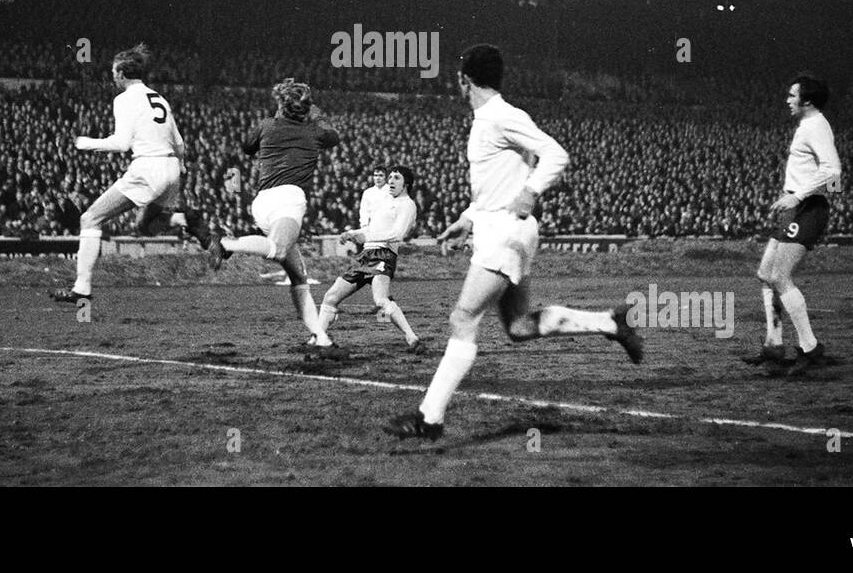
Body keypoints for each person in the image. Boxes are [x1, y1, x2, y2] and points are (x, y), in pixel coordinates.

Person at [389, 44, 643, 441]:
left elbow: (556, 154)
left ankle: (429, 418)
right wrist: (467, 219)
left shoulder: (500, 117)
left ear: (464, 80)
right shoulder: (490, 119)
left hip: (508, 231)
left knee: (462, 318)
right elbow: (493, 186)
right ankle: (611, 322)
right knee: (521, 327)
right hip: (501, 228)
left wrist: (532, 189)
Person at [52, 44, 208, 306]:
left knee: (90, 218)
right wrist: (180, 166)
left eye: (114, 71)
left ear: (122, 73)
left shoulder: (124, 99)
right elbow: (179, 142)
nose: (112, 76)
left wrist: (84, 143)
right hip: (171, 169)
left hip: (147, 168)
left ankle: (82, 288)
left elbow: (121, 143)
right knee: (144, 225)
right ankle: (186, 219)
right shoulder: (158, 98)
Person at [208, 79, 344, 356]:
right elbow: (334, 136)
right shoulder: (315, 130)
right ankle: (226, 244)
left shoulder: (267, 125)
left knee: (299, 278)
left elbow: (247, 146)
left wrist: (277, 116)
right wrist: (315, 114)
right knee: (278, 249)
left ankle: (321, 339)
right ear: (307, 107)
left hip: (262, 203)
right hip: (288, 200)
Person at [742, 73, 841, 378]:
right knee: (765, 274)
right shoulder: (808, 126)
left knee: (781, 276)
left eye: (791, 95)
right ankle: (773, 345)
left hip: (807, 209)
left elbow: (833, 170)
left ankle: (810, 349)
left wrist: (797, 196)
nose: (787, 100)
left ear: (806, 100)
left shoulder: (816, 126)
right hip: (796, 208)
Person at [317, 165, 424, 351]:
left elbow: (398, 234)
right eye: (389, 177)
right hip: (366, 254)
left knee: (380, 300)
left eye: (396, 177)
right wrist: (352, 233)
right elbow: (371, 229)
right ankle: (318, 339)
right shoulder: (384, 201)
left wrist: (367, 237)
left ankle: (412, 337)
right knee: (330, 297)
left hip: (384, 254)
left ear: (406, 183)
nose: (390, 180)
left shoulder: (408, 204)